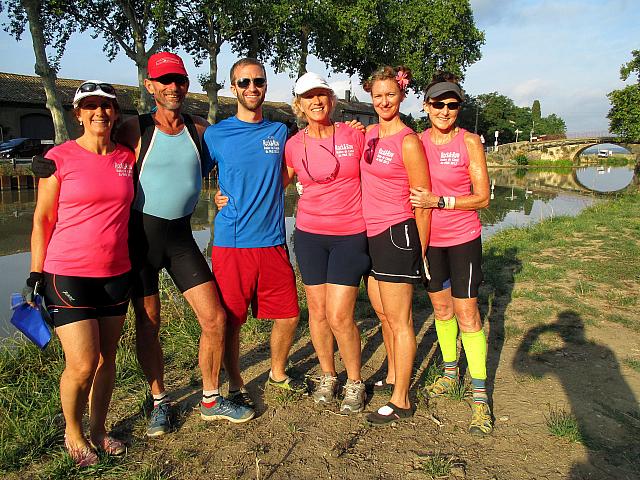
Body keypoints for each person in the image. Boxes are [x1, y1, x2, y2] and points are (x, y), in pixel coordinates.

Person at [116, 52, 253, 434]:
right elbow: (94, 155)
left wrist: (224, 193)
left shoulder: (200, 129)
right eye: (164, 81)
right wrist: (52, 166)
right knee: (149, 324)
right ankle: (159, 400)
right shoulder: (133, 129)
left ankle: (210, 399)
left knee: (215, 318)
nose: (173, 87)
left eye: (179, 80)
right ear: (150, 86)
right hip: (139, 239)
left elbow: (235, 160)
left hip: (179, 237)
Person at [27, 81, 135, 466]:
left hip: (117, 273)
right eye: (90, 107)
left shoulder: (126, 156)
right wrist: (35, 271)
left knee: (108, 359)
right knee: (83, 363)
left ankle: (99, 430)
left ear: (116, 113)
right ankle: (72, 433)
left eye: (106, 106)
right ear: (77, 114)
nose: (99, 113)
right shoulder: (59, 158)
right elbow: (42, 219)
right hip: (67, 273)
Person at [203, 58, 304, 408]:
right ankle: (235, 384)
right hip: (233, 243)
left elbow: (300, 160)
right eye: (244, 82)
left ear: (265, 86)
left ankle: (277, 372)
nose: (251, 88)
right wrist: (210, 197)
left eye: (258, 82)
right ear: (233, 88)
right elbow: (191, 173)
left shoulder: (279, 132)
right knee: (232, 322)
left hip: (273, 240)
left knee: (289, 314)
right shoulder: (215, 134)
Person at [409, 73, 491, 435]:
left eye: (452, 104)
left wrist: (440, 201)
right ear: (426, 107)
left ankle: (480, 395)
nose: (445, 110)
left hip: (462, 238)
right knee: (441, 309)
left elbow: (484, 197)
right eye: (438, 104)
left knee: (467, 312)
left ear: (459, 107)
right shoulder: (416, 142)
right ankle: (448, 370)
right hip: (428, 240)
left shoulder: (470, 142)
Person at [283, 72, 369, 413]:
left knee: (339, 314)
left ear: (331, 100)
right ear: (300, 105)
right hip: (309, 235)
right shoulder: (293, 144)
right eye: (309, 97)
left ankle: (355, 381)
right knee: (317, 312)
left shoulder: (354, 135)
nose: (316, 101)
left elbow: (381, 175)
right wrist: (227, 197)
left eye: (322, 95)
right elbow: (275, 185)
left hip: (350, 234)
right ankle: (329, 375)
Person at [360, 66, 431, 424]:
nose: (384, 101)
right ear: (370, 98)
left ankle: (402, 399)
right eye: (378, 95)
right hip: (370, 235)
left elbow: (422, 200)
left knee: (401, 321)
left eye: (390, 94)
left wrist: (421, 250)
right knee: (384, 315)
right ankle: (391, 376)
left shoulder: (408, 140)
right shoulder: (370, 133)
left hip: (396, 234)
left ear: (401, 95)